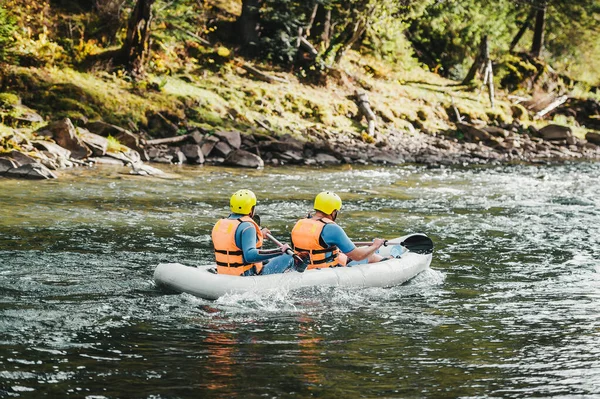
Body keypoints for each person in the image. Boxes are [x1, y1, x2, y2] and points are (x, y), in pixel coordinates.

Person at [291, 191, 386, 270]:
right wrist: (375, 246)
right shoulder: (331, 228)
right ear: (333, 212)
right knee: (371, 256)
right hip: (326, 271)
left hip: (305, 268)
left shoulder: (300, 223)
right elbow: (358, 256)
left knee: (344, 254)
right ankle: (390, 260)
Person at [211, 189, 298, 276]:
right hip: (245, 275)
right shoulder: (248, 226)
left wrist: (259, 233)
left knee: (267, 260)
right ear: (250, 209)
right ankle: (298, 277)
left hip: (224, 272)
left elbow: (233, 240)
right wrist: (280, 250)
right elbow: (250, 256)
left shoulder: (220, 224)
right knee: (288, 256)